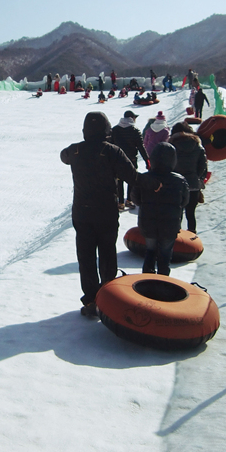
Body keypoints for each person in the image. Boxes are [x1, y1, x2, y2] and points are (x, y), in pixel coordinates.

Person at [61, 112, 141, 317]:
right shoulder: (112, 151)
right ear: (106, 129)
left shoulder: (75, 150)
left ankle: (90, 301)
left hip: (82, 213)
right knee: (107, 253)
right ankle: (107, 298)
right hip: (106, 212)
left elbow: (63, 156)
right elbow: (132, 176)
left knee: (86, 257)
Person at [130, 141, 189, 276]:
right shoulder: (180, 180)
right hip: (170, 223)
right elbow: (184, 201)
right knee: (165, 253)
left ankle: (147, 277)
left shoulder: (144, 178)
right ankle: (163, 280)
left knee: (150, 251)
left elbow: (135, 198)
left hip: (148, 221)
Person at [169, 121, 208, 233]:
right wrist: (196, 177)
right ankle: (192, 236)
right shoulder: (197, 145)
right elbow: (203, 165)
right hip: (193, 184)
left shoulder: (171, 145)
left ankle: (177, 236)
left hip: (175, 184)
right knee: (191, 213)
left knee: (177, 212)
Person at [111, 110, 150, 209]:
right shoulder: (135, 130)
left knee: (119, 181)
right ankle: (129, 200)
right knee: (132, 180)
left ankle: (120, 202)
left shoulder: (115, 130)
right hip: (131, 159)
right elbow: (141, 147)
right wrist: (147, 160)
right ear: (132, 118)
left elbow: (110, 145)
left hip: (117, 159)